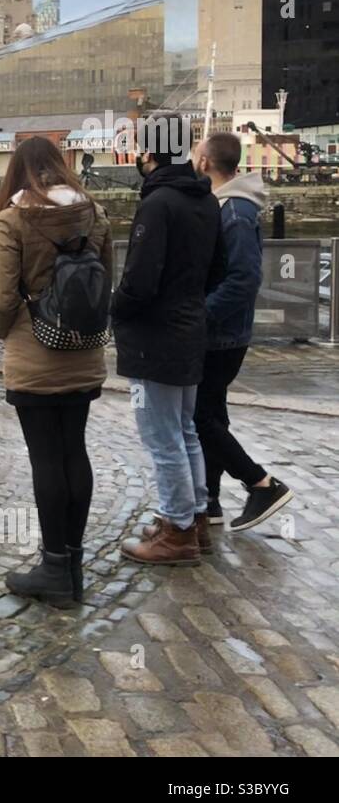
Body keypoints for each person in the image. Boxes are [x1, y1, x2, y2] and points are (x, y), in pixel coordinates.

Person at [0, 136, 111, 606]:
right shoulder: (93, 213)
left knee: (45, 457)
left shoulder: (13, 218)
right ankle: (73, 565)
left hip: (33, 349)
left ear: (17, 171)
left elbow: (1, 298)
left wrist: (5, 332)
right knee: (74, 450)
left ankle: (54, 568)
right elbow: (107, 281)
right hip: (83, 349)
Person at [114, 114, 225, 566]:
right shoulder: (206, 201)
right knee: (186, 430)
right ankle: (193, 518)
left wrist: (115, 310)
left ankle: (177, 531)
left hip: (154, 338)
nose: (138, 155)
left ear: (153, 152)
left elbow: (139, 280)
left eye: (142, 147)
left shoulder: (158, 203)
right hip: (189, 328)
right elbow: (217, 270)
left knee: (162, 437)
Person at [193, 132, 293, 530]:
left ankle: (261, 482)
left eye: (196, 154)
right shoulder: (228, 206)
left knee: (200, 417)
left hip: (222, 335)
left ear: (205, 163)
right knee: (213, 414)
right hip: (224, 332)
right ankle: (210, 501)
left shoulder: (233, 211)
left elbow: (244, 278)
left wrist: (203, 315)